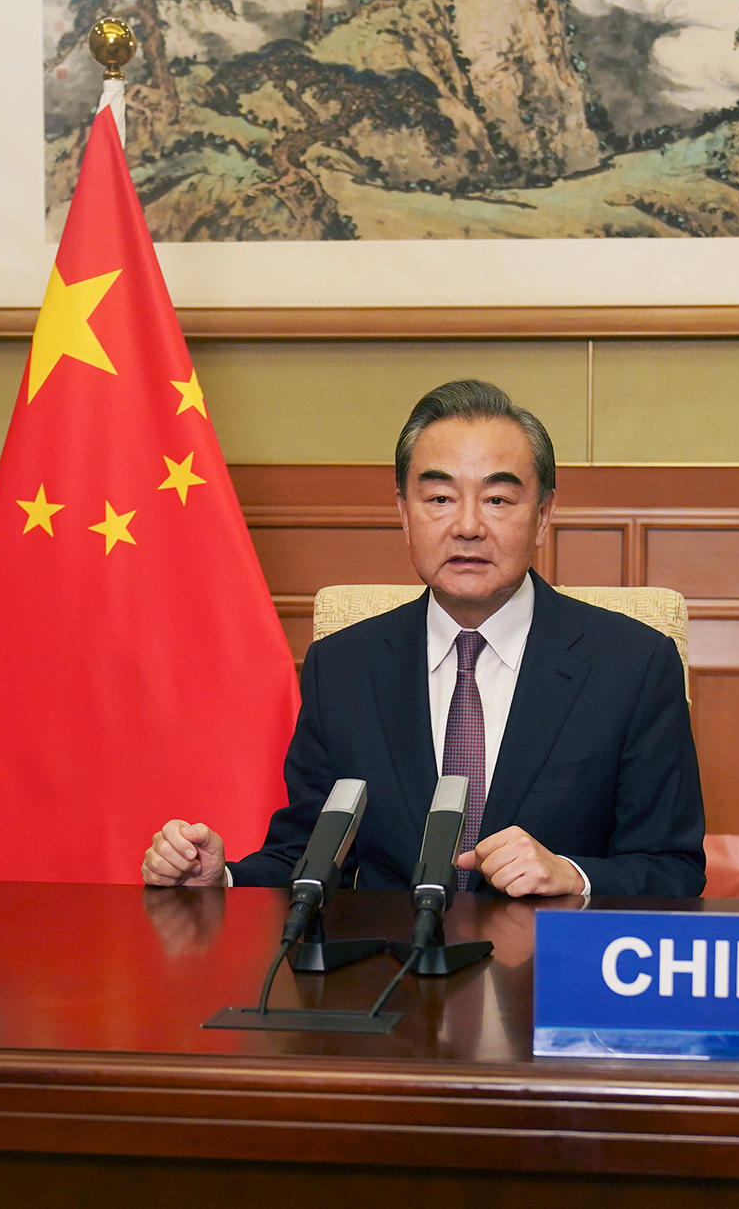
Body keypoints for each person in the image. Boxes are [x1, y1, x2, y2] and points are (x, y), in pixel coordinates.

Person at [141, 380, 705, 898]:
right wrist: (224, 877)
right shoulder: (344, 666)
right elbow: (309, 854)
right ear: (404, 514)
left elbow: (673, 870)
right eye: (439, 498)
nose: (467, 526)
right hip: (389, 987)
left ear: (543, 516)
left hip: (548, 981)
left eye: (498, 500)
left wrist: (572, 874)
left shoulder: (631, 664)